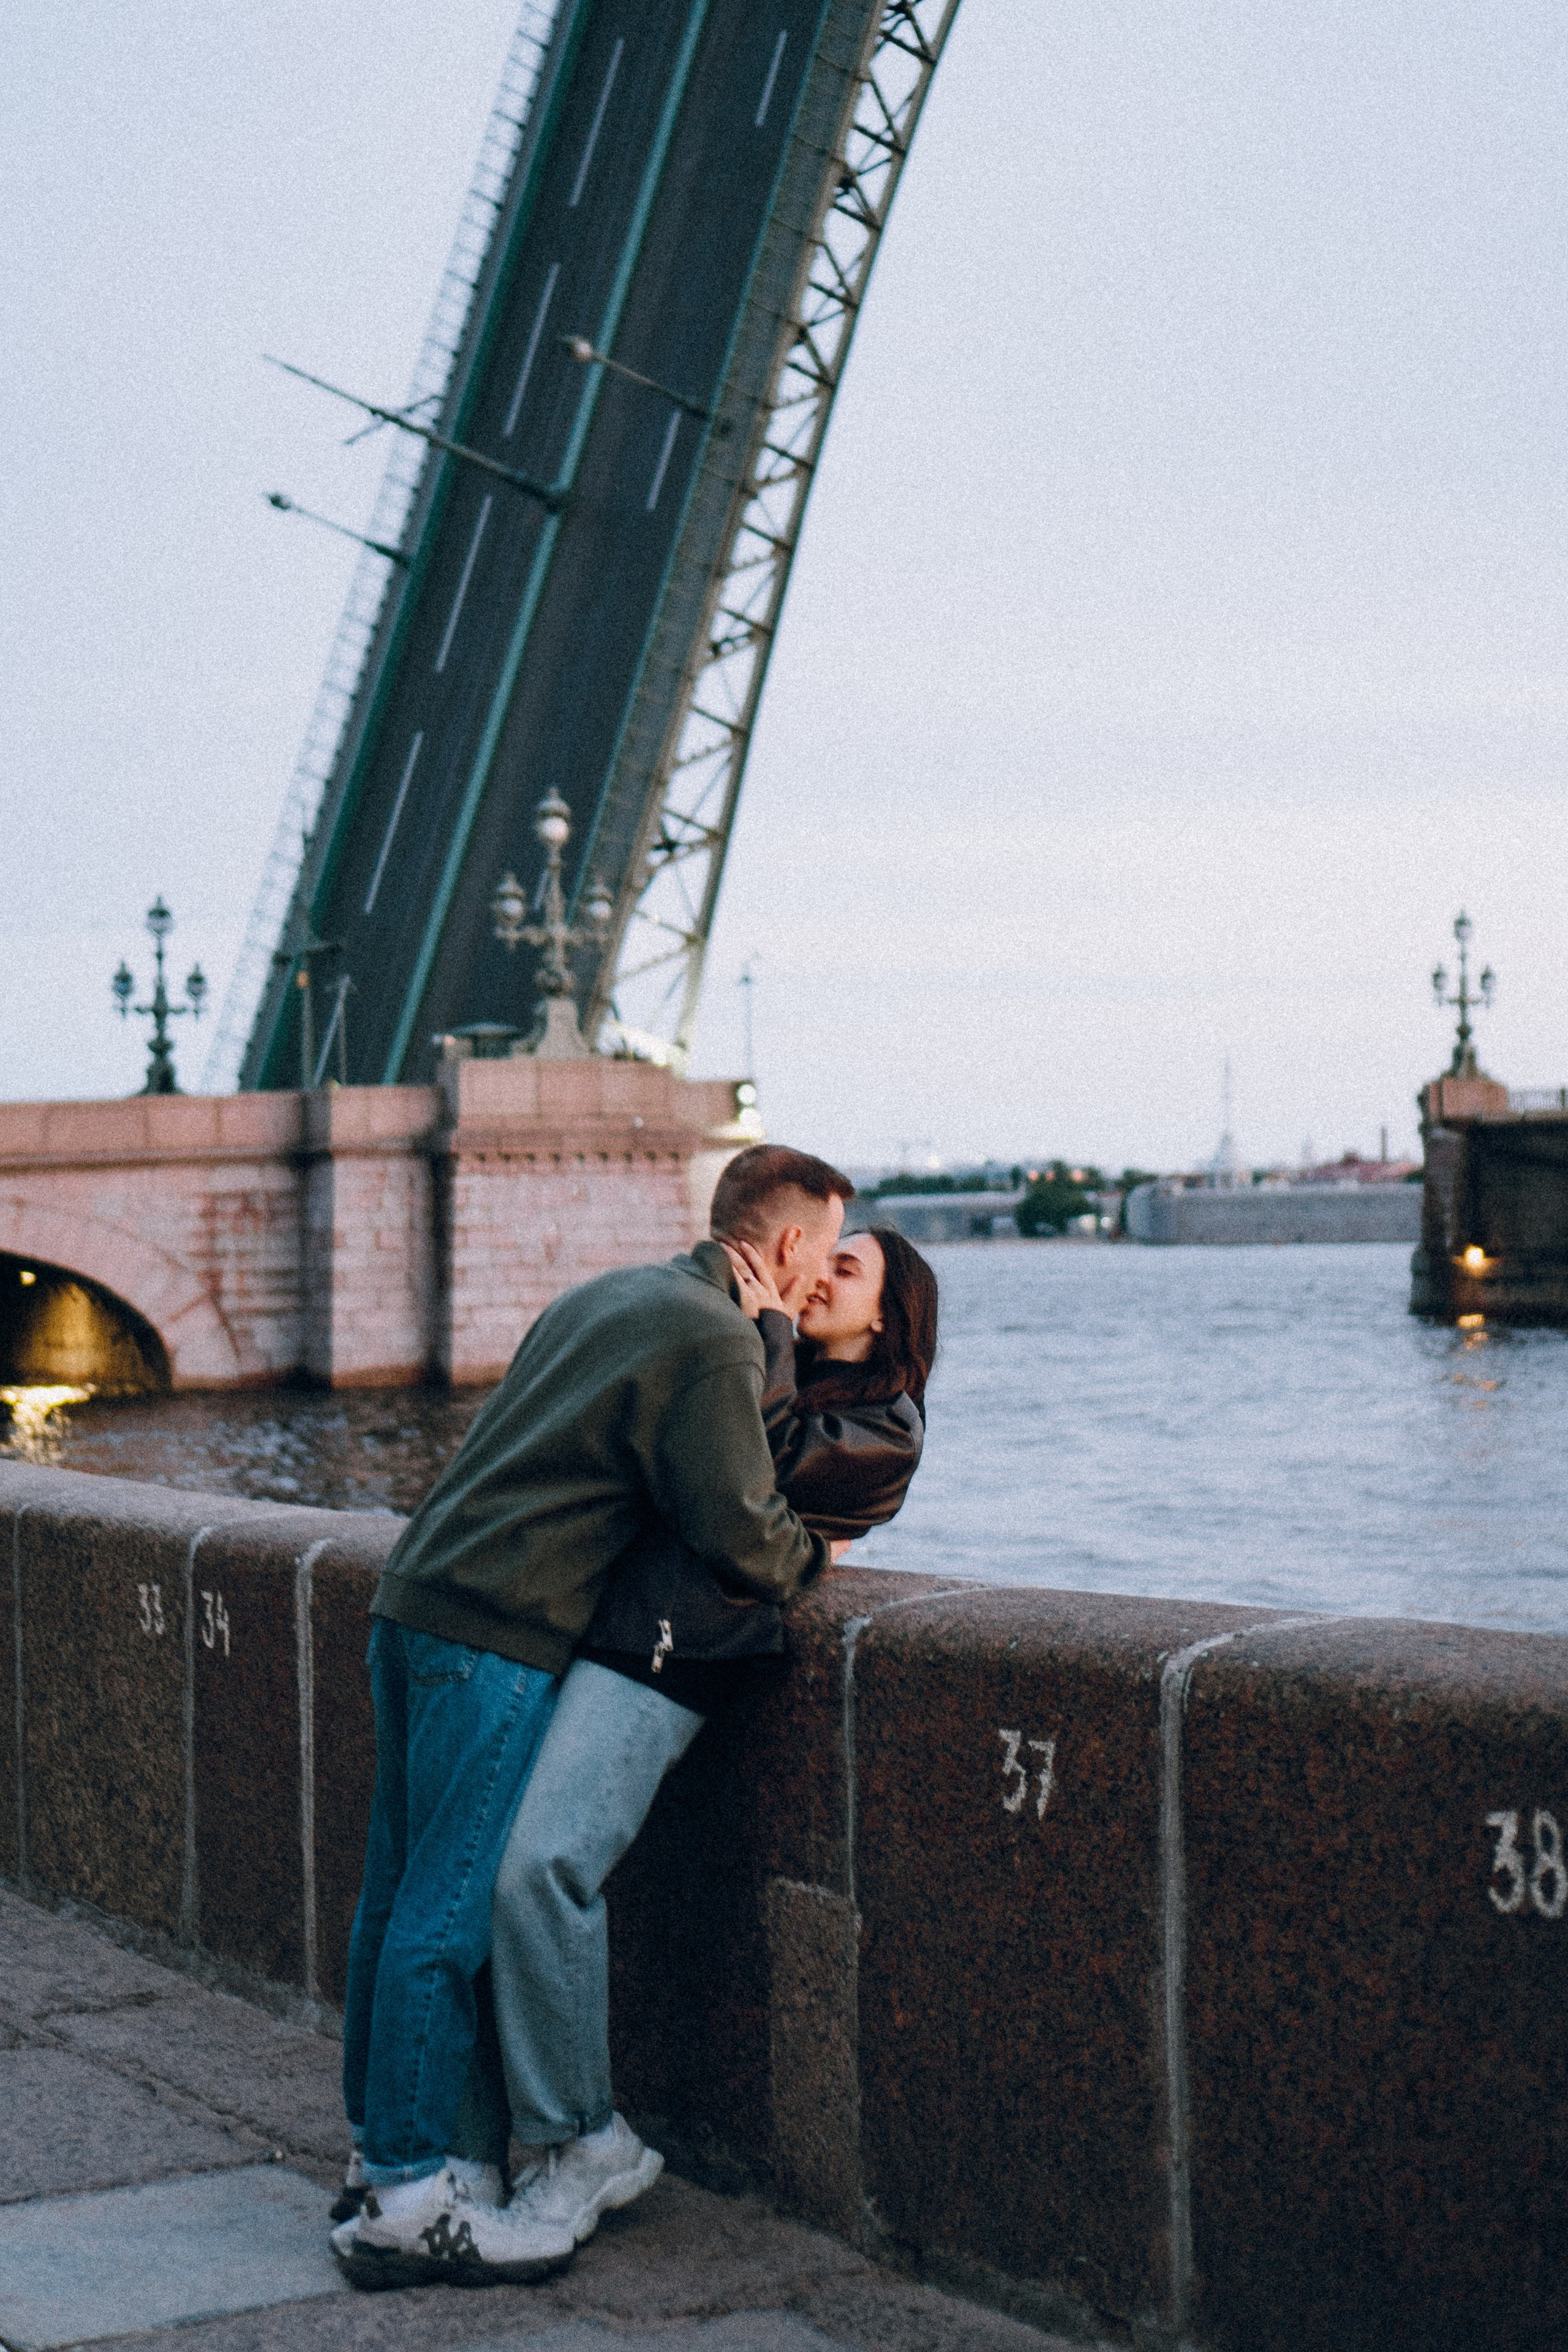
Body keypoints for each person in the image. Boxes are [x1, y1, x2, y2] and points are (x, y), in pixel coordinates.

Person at [332, 1144, 854, 2289]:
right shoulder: (716, 1337)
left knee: (388, 1899)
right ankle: (414, 2195)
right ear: (783, 1246)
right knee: (448, 1912)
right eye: (822, 1250)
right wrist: (820, 1553)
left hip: (412, 1602)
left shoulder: (608, 1294)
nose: (821, 1276)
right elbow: (739, 1526)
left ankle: (379, 2156)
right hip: (499, 1630)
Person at [468, 1219, 938, 2253]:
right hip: (610, 1631)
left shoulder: (885, 1428)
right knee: (504, 1874)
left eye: (845, 1270)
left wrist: (764, 1322)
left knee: (539, 1870)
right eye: (820, 1256)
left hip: (676, 1656)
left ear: (888, 1310)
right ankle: (530, 2138)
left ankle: (582, 2139)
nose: (818, 1276)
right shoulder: (762, 1364)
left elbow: (748, 1478)